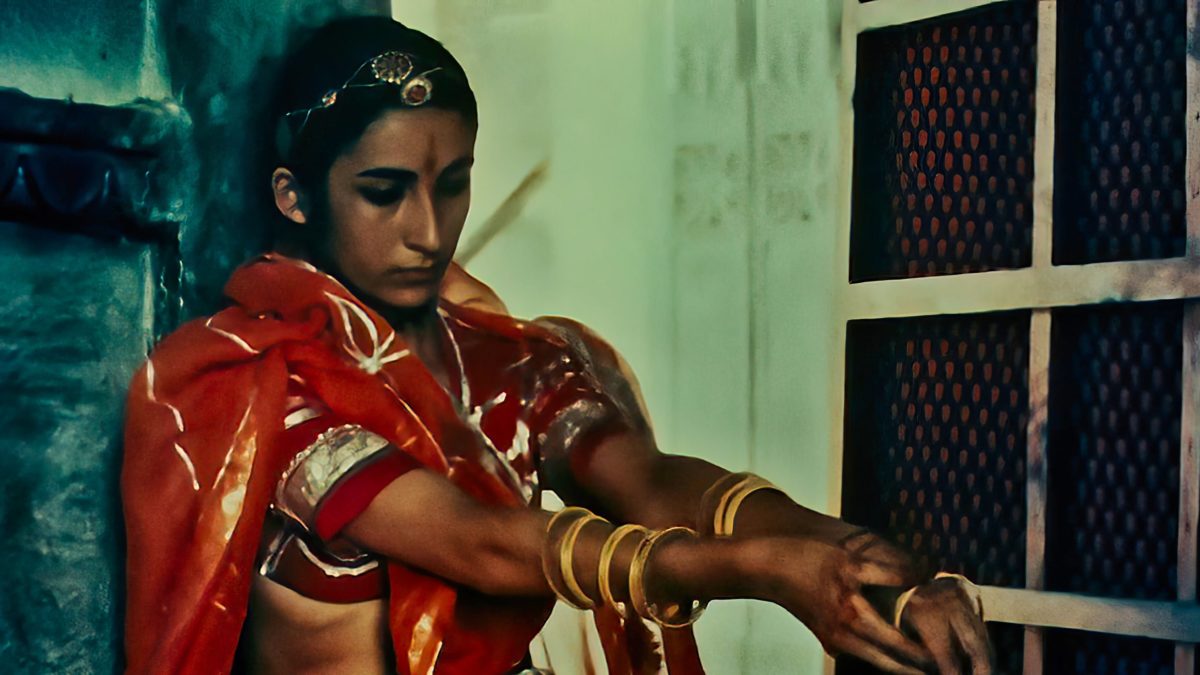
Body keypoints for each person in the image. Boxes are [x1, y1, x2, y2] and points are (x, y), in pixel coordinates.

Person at [121, 16, 993, 675]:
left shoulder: (500, 354)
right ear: (295, 196)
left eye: (452, 184)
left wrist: (850, 556)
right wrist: (764, 570)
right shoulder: (270, 382)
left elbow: (647, 481)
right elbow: (484, 544)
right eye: (384, 193)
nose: (429, 230)